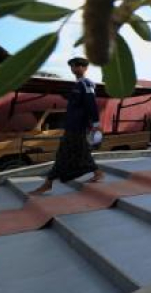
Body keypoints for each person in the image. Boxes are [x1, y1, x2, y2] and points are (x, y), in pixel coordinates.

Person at [29, 57, 104, 195]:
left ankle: (48, 183)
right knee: (81, 152)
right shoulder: (77, 85)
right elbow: (77, 103)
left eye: (76, 66)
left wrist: (96, 124)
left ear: (84, 68)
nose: (74, 68)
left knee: (63, 154)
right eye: (72, 66)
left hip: (77, 127)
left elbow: (91, 105)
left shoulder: (86, 84)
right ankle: (98, 172)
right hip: (72, 126)